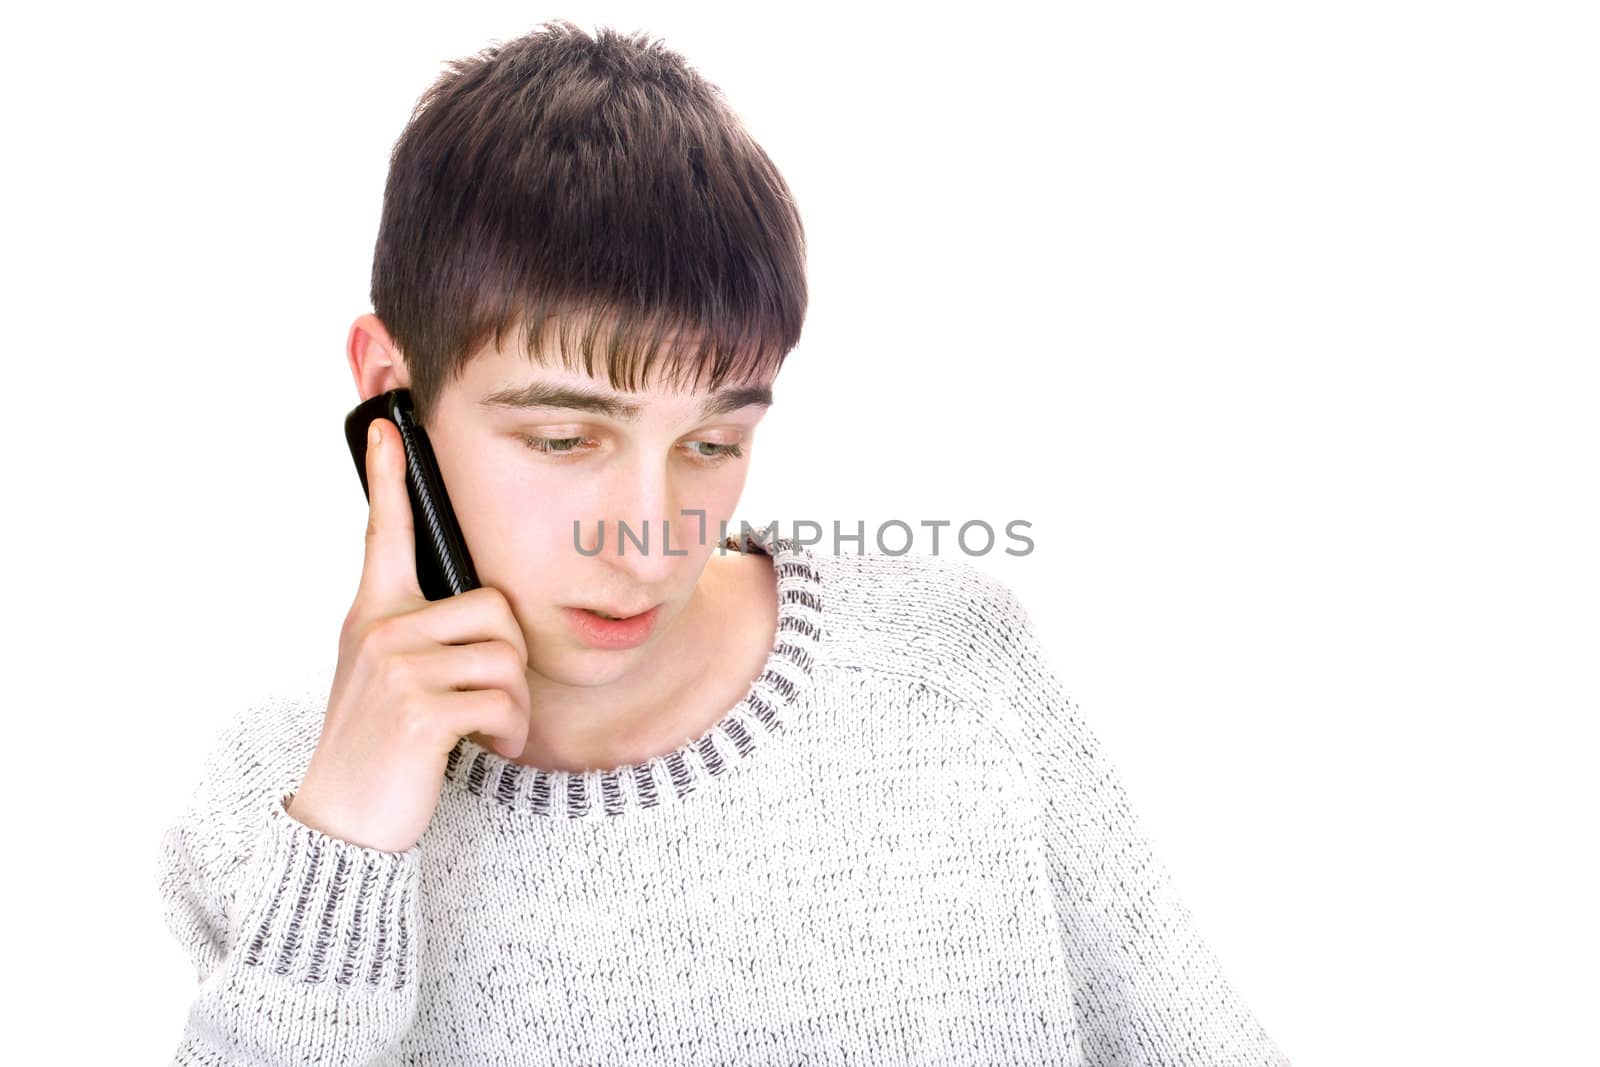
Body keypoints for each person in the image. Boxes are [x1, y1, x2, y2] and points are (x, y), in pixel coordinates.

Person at [155, 19, 1291, 1065]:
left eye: (711, 442)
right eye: (562, 437)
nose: (650, 544)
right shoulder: (276, 798)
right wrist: (348, 847)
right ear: (391, 391)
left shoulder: (950, 671)